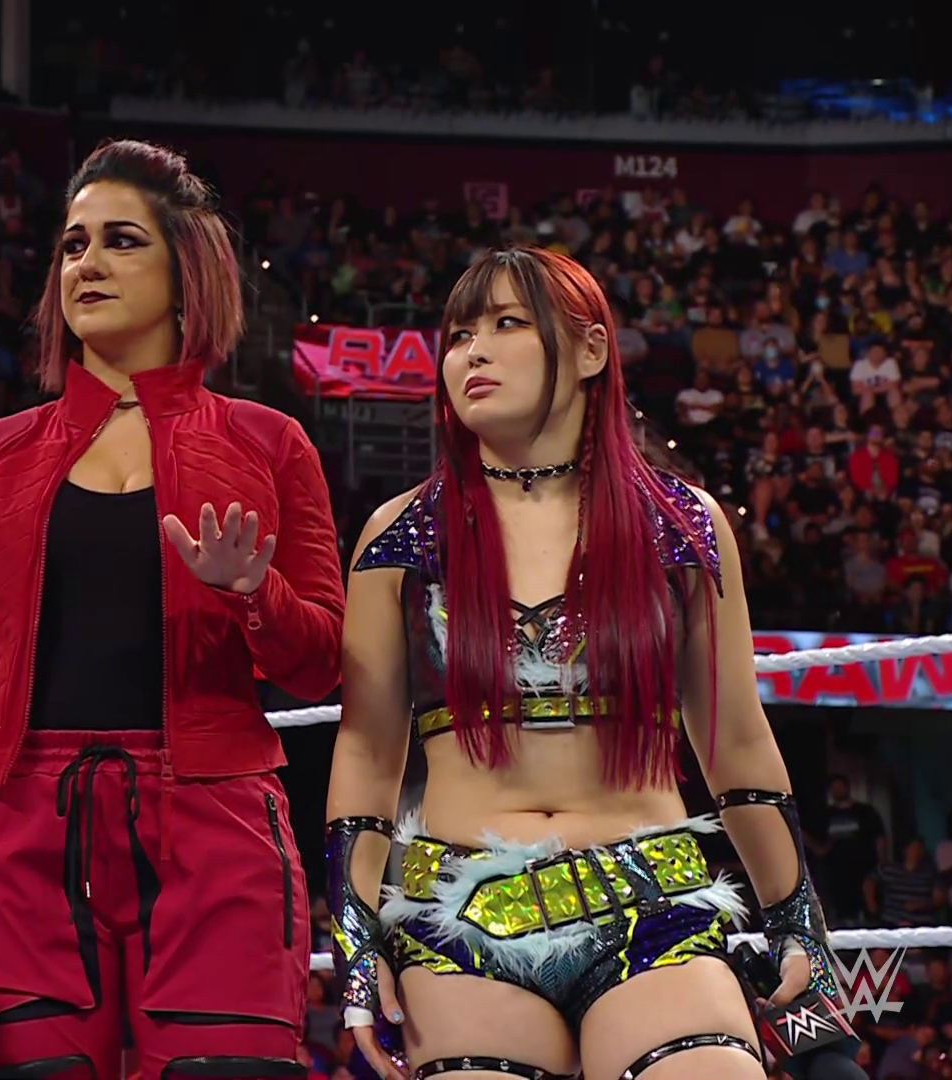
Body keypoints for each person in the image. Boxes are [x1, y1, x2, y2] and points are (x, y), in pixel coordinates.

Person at [0, 140, 345, 1080]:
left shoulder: (269, 443)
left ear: (187, 272)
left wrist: (256, 595)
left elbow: (322, 663)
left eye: (122, 241)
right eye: (74, 245)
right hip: (14, 837)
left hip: (214, 829)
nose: (88, 263)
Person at [326, 247, 852, 1080]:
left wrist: (799, 926)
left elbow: (736, 742)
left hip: (652, 902)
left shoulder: (682, 524)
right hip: (459, 920)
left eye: (507, 323)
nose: (473, 352)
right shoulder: (399, 536)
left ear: (591, 350)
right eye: (459, 334)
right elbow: (365, 753)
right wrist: (356, 944)